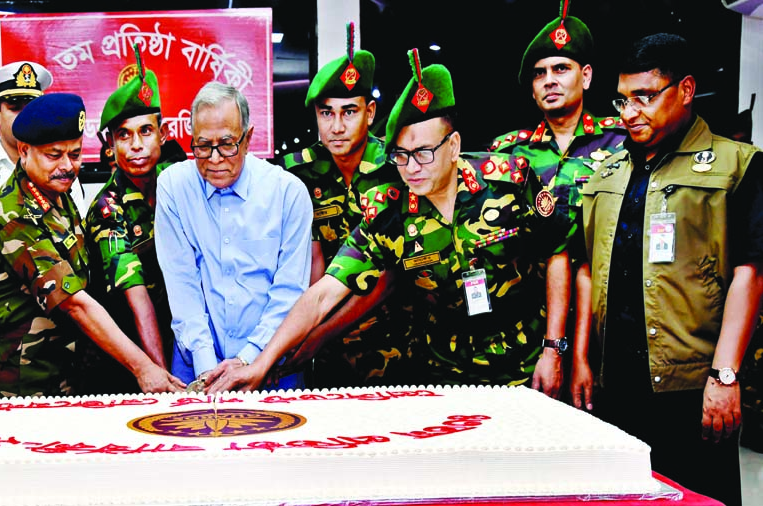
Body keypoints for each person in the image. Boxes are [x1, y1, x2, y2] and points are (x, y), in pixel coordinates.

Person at [207, 50, 565, 395]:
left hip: (526, 362)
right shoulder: (389, 212)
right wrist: (258, 362)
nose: (411, 168)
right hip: (445, 372)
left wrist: (554, 349)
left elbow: (558, 253)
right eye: (401, 155)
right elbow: (322, 293)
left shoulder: (510, 180)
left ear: (453, 146)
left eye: (424, 153)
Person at [578, 33, 763, 506]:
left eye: (645, 96)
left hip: (689, 386)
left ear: (683, 90)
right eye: (622, 99)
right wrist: (578, 357)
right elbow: (585, 266)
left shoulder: (736, 165)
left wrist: (724, 376)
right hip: (614, 384)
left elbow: (751, 272)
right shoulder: (606, 171)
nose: (630, 112)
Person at [0, 93, 174, 398]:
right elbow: (74, 303)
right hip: (8, 377)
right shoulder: (16, 214)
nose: (67, 166)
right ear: (24, 151)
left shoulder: (57, 194)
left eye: (74, 155)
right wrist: (143, 368)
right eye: (54, 154)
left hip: (54, 369)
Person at [487, 0, 627, 409]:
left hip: (601, 323)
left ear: (585, 77)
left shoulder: (622, 144)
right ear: (531, 89)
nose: (549, 80)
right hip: (524, 328)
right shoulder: (509, 154)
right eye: (539, 73)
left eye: (561, 69)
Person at [154, 81, 313, 391]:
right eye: (202, 146)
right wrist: (208, 371)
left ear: (248, 137)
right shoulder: (174, 187)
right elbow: (182, 282)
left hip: (271, 365)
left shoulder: (287, 193)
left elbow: (289, 291)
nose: (215, 159)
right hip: (196, 368)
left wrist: (249, 359)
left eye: (227, 144)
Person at [278, 22, 408, 387]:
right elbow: (313, 261)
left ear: (369, 113)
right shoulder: (304, 172)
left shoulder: (396, 169)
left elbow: (389, 278)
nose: (336, 126)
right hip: (328, 341)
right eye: (326, 113)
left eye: (348, 112)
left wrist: (321, 333)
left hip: (395, 340)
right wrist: (308, 333)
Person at [81, 54, 186, 394]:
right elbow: (136, 296)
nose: (137, 145)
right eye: (124, 135)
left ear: (164, 133)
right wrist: (161, 374)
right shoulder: (107, 207)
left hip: (180, 344)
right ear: (110, 144)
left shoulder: (178, 188)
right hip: (127, 362)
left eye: (145, 131)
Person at [0, 61, 87, 286]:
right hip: (3, 312)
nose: (25, 116)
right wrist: (37, 290)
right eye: (15, 107)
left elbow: (80, 244)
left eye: (31, 106)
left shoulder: (64, 173)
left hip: (64, 307)